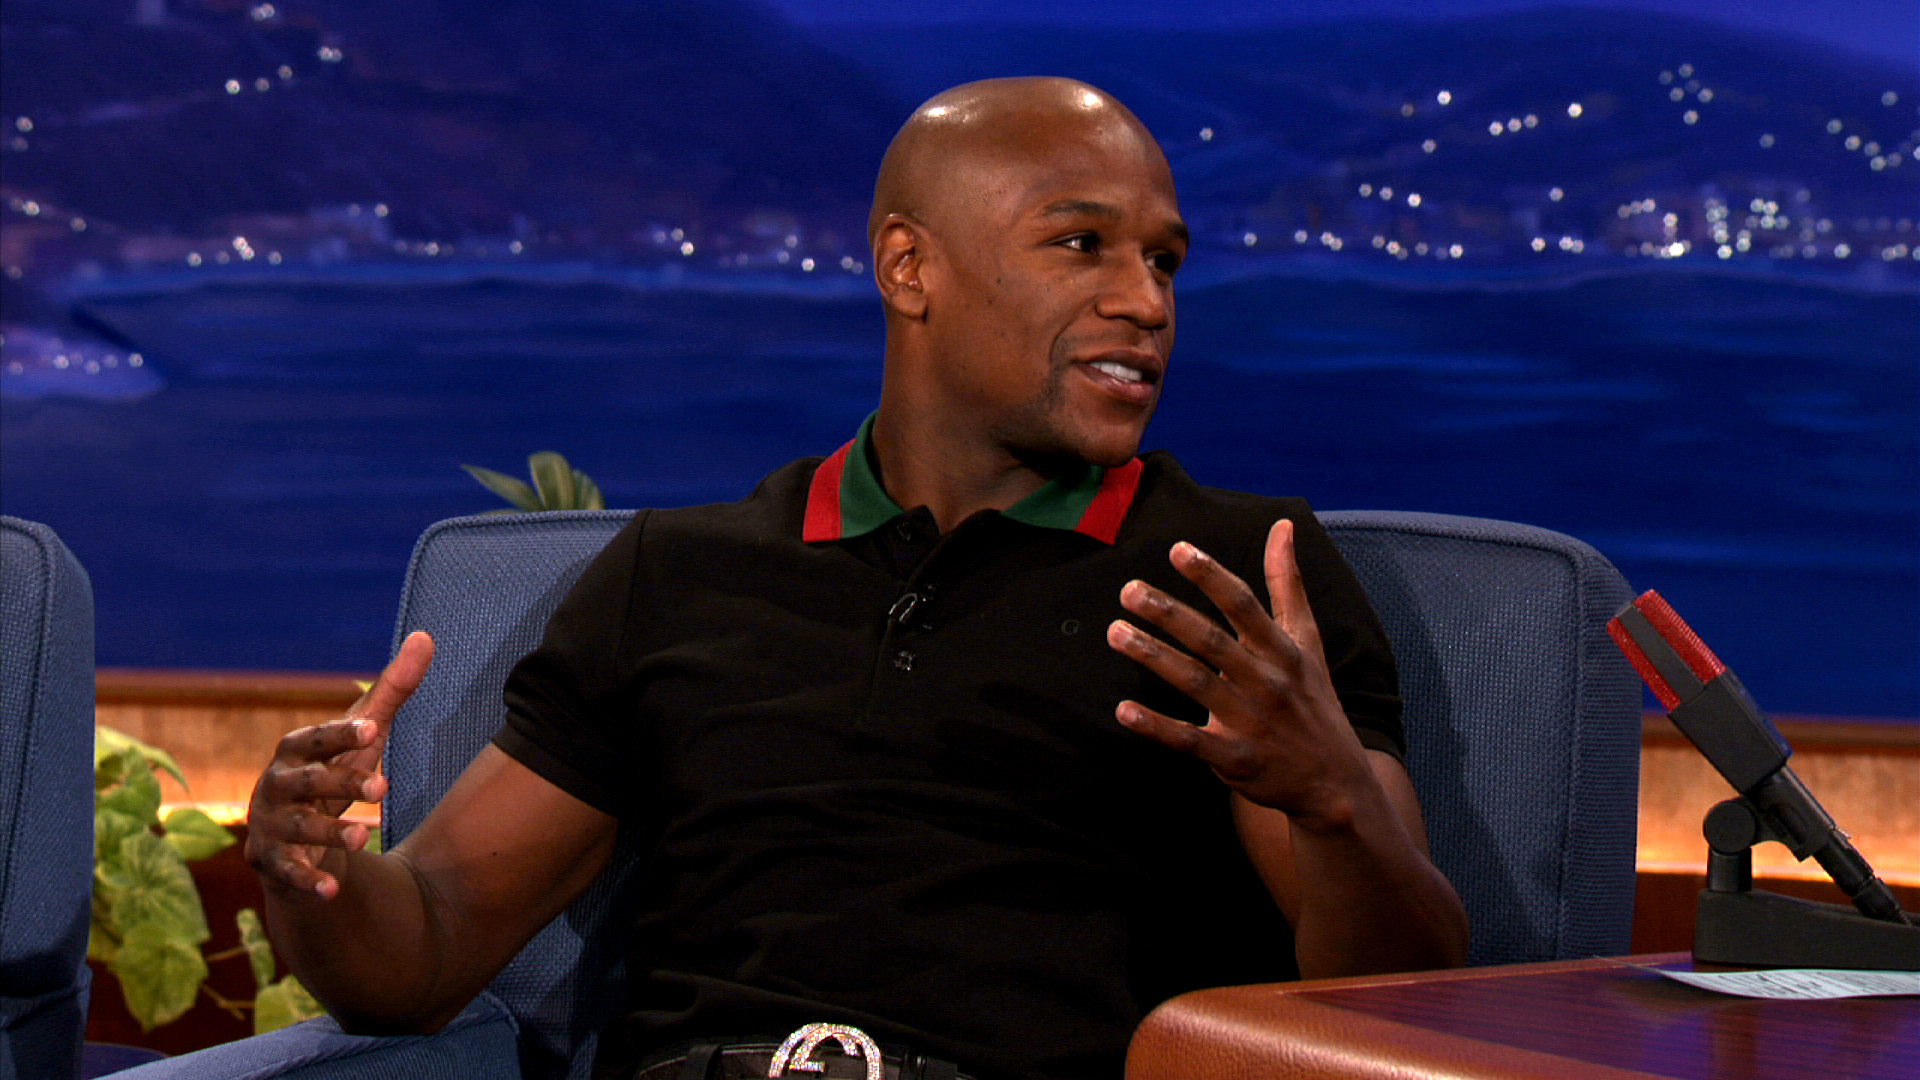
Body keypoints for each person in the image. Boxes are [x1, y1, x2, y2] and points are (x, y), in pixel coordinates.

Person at [246, 77, 1468, 1080]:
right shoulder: (677, 574)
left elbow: (1394, 1000)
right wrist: (314, 876)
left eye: (1165, 261)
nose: (1145, 302)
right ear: (908, 268)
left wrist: (1334, 802)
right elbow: (425, 948)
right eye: (1083, 245)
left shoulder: (1237, 579)